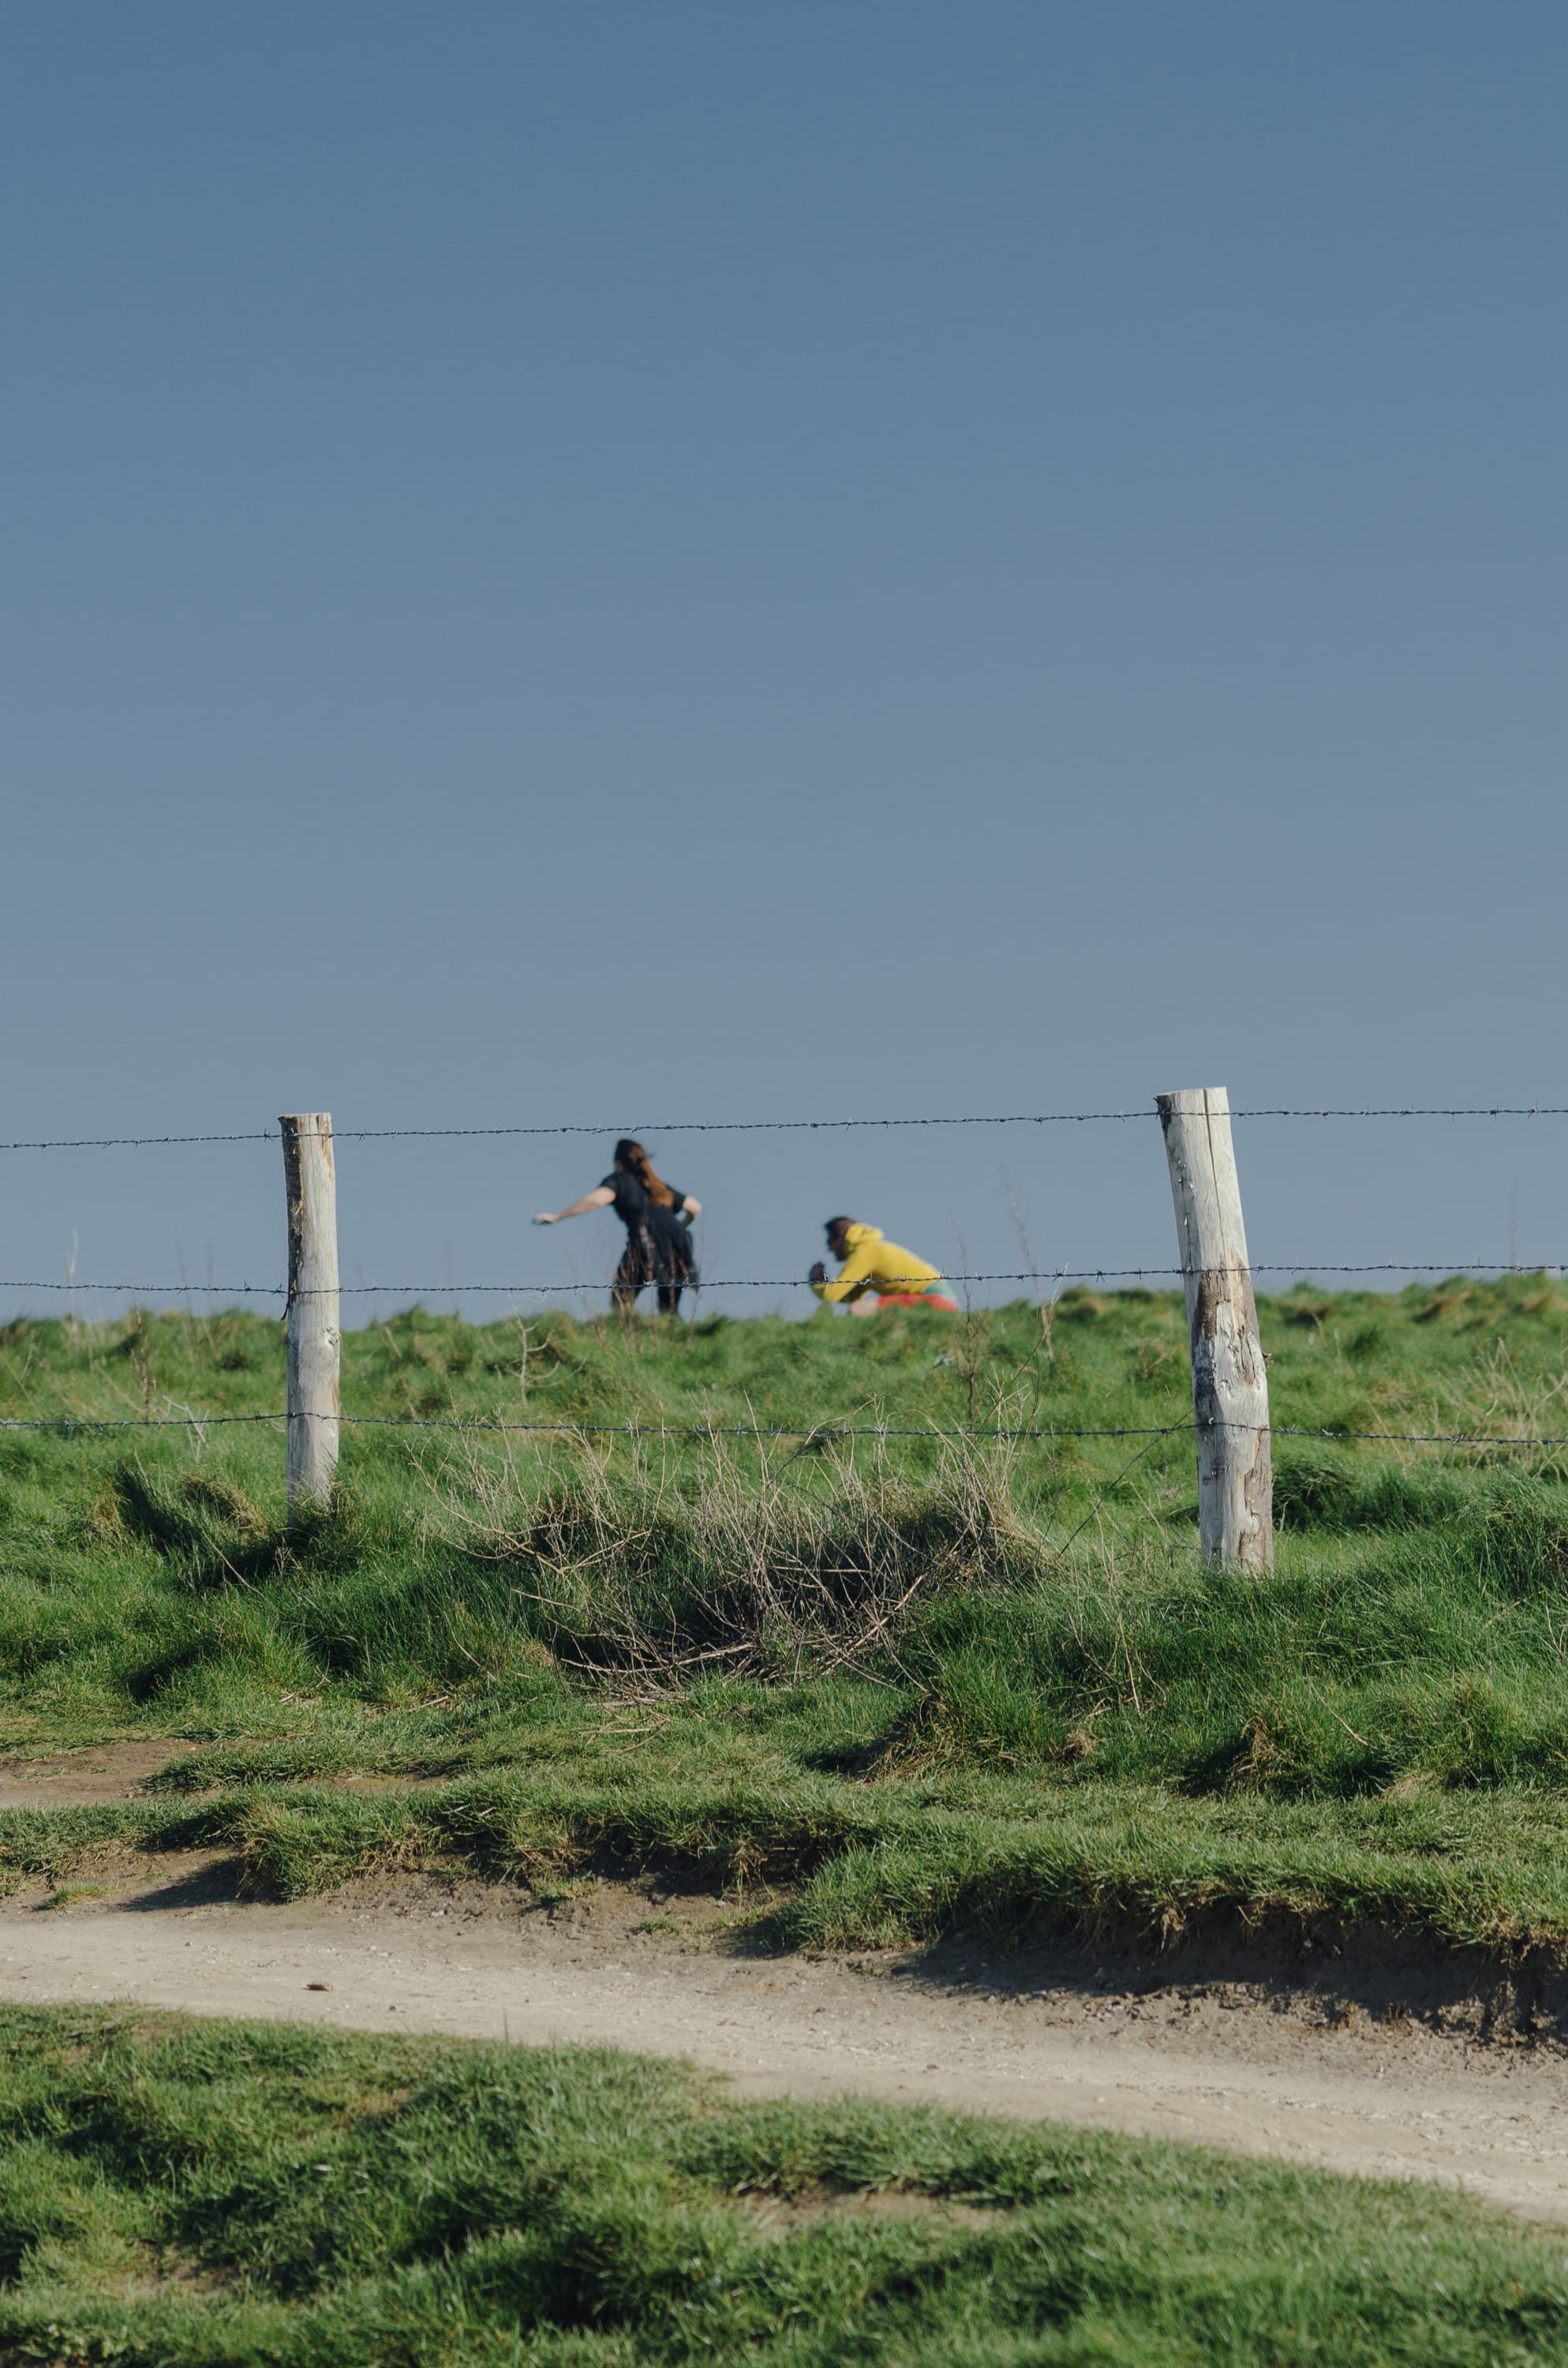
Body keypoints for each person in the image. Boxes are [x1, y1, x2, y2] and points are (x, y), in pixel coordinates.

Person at [533, 1138, 700, 1314]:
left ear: (619, 1163)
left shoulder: (620, 1180)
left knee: (621, 1298)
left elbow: (596, 1200)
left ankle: (626, 1327)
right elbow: (694, 1207)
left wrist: (558, 1216)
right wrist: (678, 1229)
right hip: (678, 1245)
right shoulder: (658, 1187)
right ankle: (671, 1328)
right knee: (669, 1306)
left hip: (644, 1244)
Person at [809, 1217, 958, 1315]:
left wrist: (816, 1281)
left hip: (935, 1300)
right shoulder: (871, 1249)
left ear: (841, 1234)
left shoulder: (865, 1251)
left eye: (830, 1241)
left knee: (858, 1311)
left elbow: (831, 1295)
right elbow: (851, 1296)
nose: (829, 1249)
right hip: (943, 1300)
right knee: (860, 1308)